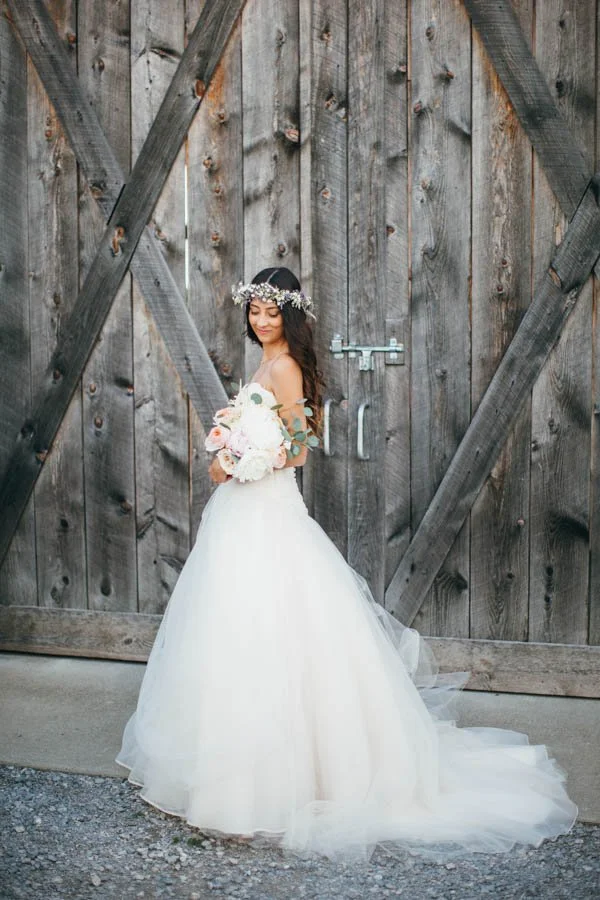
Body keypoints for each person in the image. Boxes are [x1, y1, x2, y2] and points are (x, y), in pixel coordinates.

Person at [116, 266, 577, 863]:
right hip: (242, 515)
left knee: (265, 637)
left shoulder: (283, 367)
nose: (260, 322)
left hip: (266, 513)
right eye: (254, 312)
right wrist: (229, 443)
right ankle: (250, 776)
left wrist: (245, 457)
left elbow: (298, 447)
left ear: (289, 317)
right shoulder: (268, 362)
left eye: (271, 313)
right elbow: (274, 437)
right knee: (241, 640)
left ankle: (264, 787)